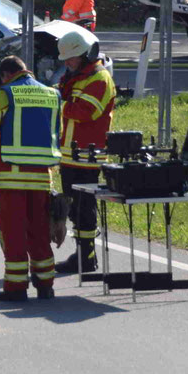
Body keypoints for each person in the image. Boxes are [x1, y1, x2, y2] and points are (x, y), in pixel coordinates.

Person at [0, 55, 62, 303]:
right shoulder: (52, 94)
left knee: (13, 233)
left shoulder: (4, 94)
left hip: (9, 177)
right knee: (39, 232)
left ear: (5, 75)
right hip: (42, 178)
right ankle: (46, 286)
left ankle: (16, 287)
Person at [54, 26, 116, 276]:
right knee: (74, 209)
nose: (67, 63)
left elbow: (85, 112)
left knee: (85, 209)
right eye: (66, 59)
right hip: (70, 155)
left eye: (72, 58)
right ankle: (81, 254)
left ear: (85, 55)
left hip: (89, 157)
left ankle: (87, 258)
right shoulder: (76, 76)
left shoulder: (99, 79)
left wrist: (58, 102)